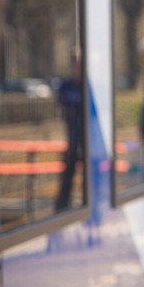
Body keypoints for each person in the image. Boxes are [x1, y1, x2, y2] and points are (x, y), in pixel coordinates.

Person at [54, 51, 83, 211]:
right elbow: (63, 100)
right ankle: (62, 206)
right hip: (72, 140)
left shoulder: (87, 86)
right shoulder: (67, 85)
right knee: (67, 177)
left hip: (87, 141)